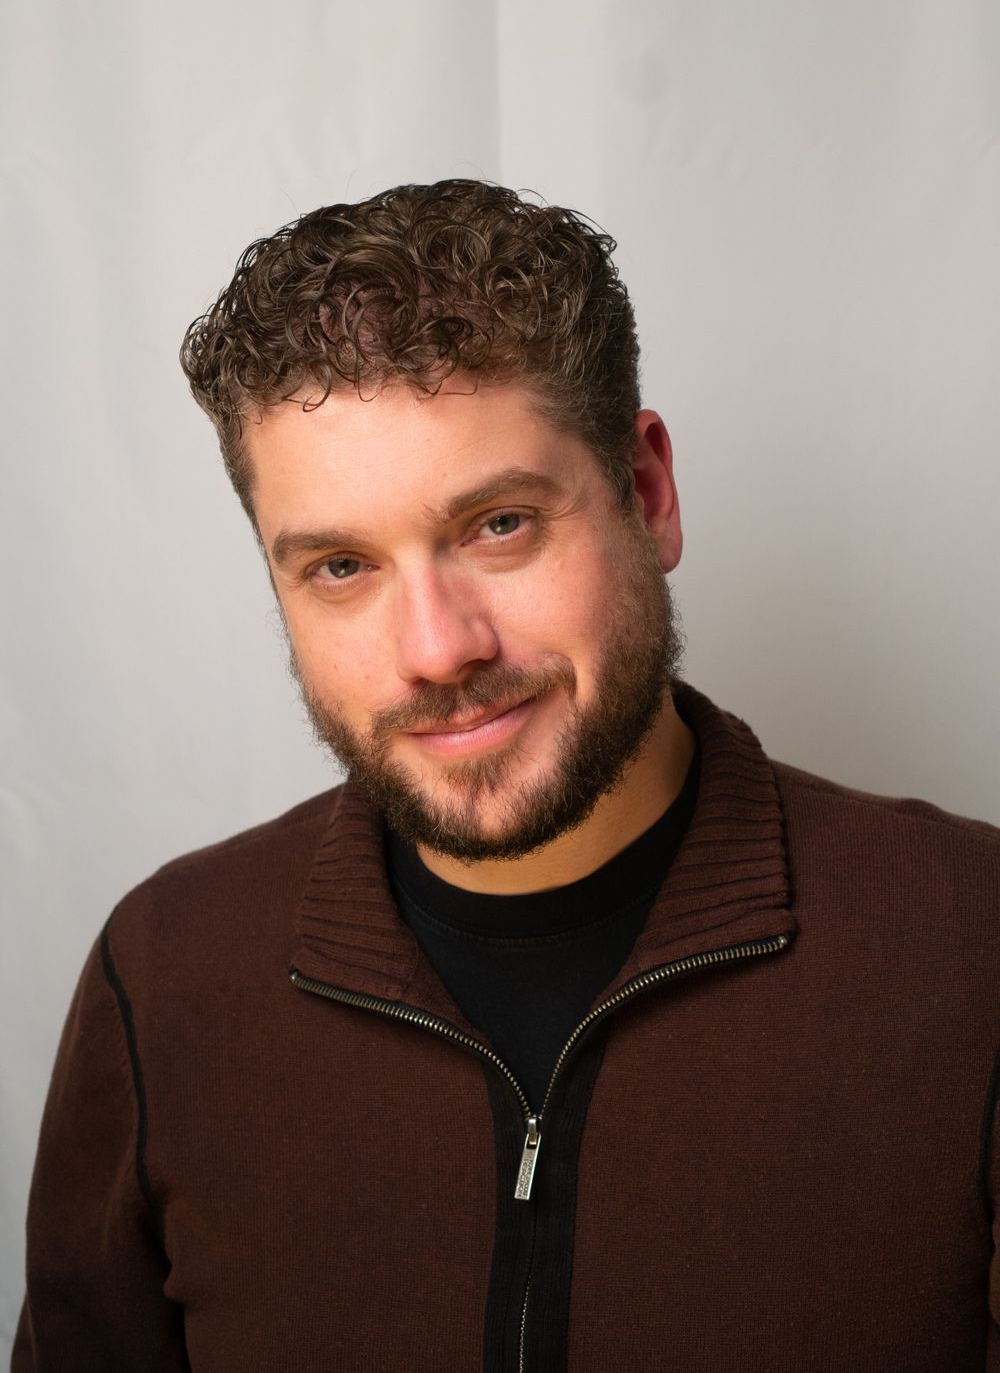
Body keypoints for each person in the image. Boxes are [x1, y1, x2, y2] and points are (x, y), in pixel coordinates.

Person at [14, 180, 1000, 1372]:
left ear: (647, 495)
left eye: (498, 525)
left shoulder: (971, 949)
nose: (438, 651)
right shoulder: (163, 977)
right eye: (340, 566)